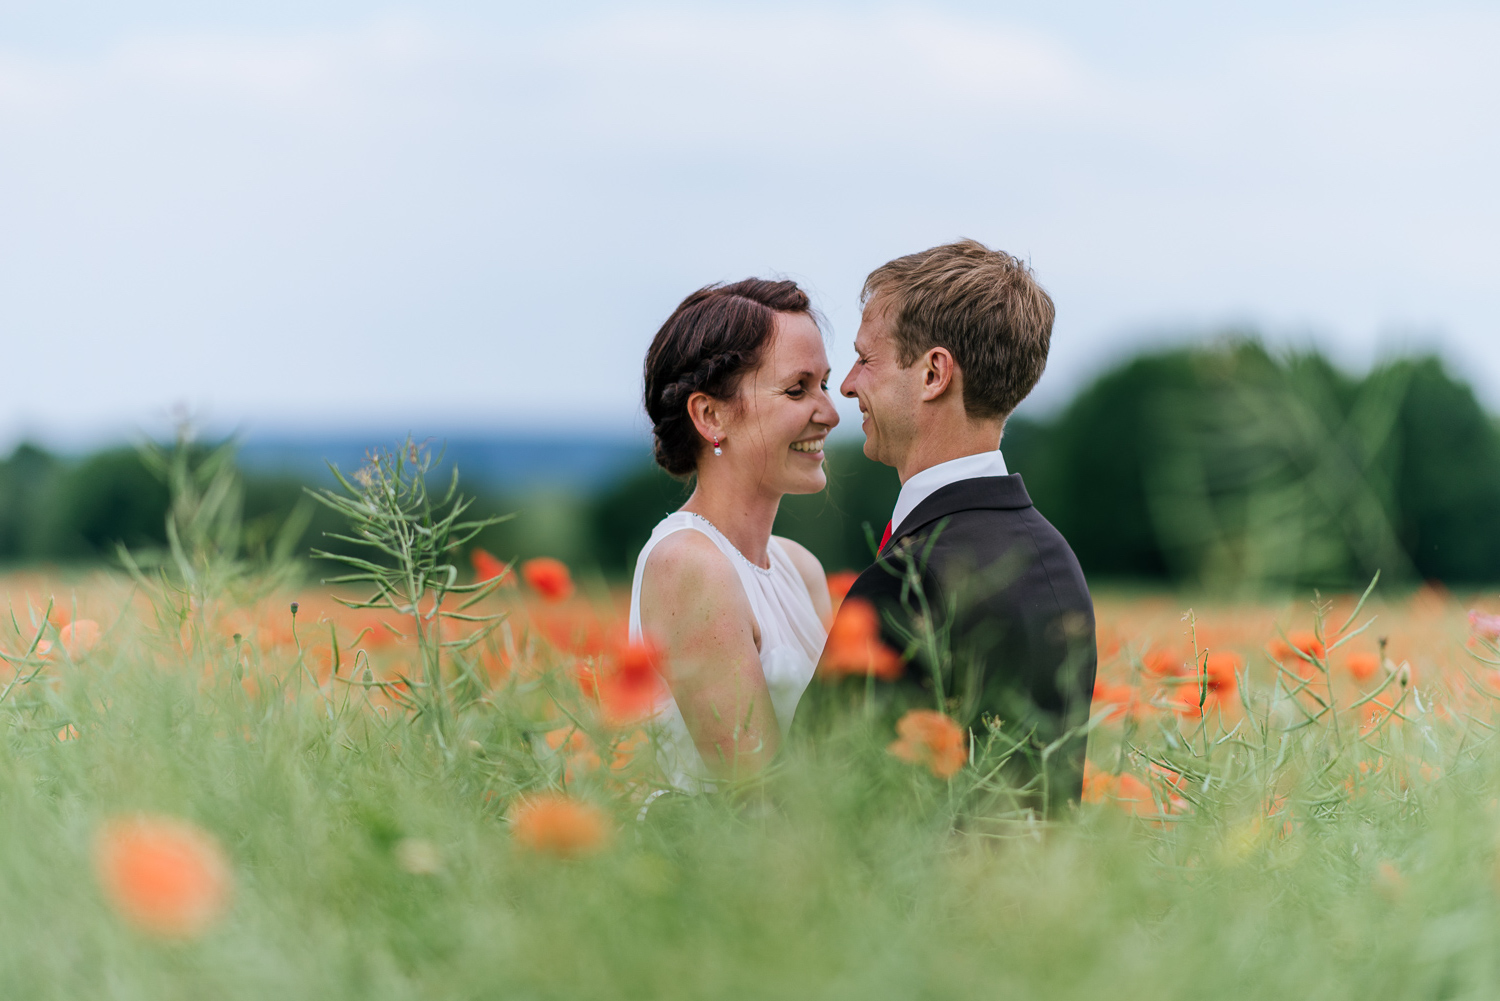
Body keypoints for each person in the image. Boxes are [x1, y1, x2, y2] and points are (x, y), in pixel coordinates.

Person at [792, 239, 1097, 811]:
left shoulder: (909, 579)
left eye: (866, 358)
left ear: (934, 374)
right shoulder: (1055, 557)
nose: (850, 384)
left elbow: (819, 804)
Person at [630, 279, 840, 791]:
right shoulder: (688, 563)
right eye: (797, 389)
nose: (830, 414)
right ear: (710, 415)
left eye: (825, 385)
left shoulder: (801, 567)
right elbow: (756, 794)